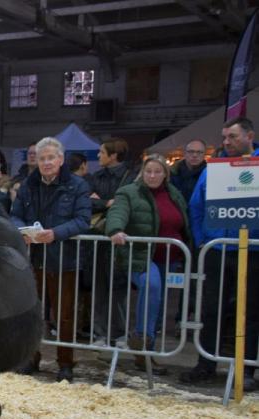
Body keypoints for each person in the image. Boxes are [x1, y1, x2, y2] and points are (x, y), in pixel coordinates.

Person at [179, 116, 259, 391]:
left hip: (254, 250)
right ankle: (206, 363)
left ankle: (246, 368)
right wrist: (204, 240)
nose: (226, 142)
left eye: (232, 137)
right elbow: (197, 205)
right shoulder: (214, 168)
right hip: (217, 248)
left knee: (250, 311)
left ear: (250, 136)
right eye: (224, 137)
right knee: (211, 308)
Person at [10, 137, 91, 383]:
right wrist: (23, 232)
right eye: (42, 158)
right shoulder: (28, 185)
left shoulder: (77, 185)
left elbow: (82, 220)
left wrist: (55, 233)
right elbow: (15, 215)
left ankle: (65, 363)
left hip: (65, 260)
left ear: (61, 160)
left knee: (64, 315)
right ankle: (31, 357)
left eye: (50, 158)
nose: (46, 162)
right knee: (33, 312)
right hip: (34, 259)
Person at [105, 155, 192, 375]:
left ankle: (146, 354)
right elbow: (117, 212)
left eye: (157, 172)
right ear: (142, 173)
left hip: (171, 257)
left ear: (165, 174)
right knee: (151, 286)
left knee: (159, 302)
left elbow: (184, 221)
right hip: (141, 256)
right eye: (148, 171)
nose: (152, 176)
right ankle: (142, 341)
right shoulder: (128, 192)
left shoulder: (175, 194)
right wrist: (115, 230)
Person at [88, 138, 136, 346]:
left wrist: (100, 201)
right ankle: (100, 333)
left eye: (102, 152)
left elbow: (127, 203)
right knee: (99, 286)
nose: (98, 156)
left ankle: (119, 332)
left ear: (114, 155)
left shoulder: (131, 177)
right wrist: (106, 202)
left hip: (120, 240)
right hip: (98, 239)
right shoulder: (95, 176)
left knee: (118, 287)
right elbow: (86, 200)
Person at [169, 139, 207, 204]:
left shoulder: (209, 175)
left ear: (204, 154)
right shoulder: (172, 173)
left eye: (199, 152)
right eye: (191, 152)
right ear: (185, 153)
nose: (195, 155)